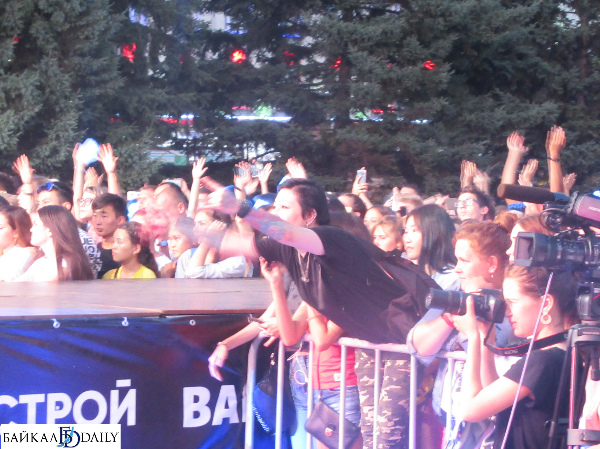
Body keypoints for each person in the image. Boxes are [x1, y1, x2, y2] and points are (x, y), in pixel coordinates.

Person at [408, 222, 510, 447]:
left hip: (492, 421)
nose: (457, 269)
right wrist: (450, 318)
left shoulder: (514, 302)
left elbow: (502, 345)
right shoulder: (456, 291)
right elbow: (416, 345)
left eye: (464, 261)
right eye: (456, 260)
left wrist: (475, 330)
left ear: (492, 263)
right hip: (450, 414)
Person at [453, 266, 578, 449]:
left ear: (546, 304)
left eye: (512, 302)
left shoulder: (541, 361)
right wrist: (485, 336)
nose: (507, 312)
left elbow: (469, 410)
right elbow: (492, 397)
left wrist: (472, 337)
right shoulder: (567, 353)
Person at [260, 257, 362, 449]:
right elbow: (290, 337)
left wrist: (311, 300)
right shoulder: (313, 296)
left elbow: (322, 340)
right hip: (317, 387)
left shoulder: (348, 292)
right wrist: (276, 284)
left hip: (343, 387)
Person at [17, 206, 94, 281]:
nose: (31, 229)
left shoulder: (58, 269)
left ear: (50, 230)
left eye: (36, 224)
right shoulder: (42, 261)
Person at [403, 204, 459, 291]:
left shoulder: (450, 278)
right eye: (406, 231)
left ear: (435, 233)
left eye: (414, 230)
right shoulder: (406, 270)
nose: (407, 239)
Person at [91, 193, 128, 278]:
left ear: (120, 220)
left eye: (104, 216)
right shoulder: (93, 251)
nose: (97, 222)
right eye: (94, 216)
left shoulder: (127, 255)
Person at [0, 206, 36, 281]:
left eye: (0, 228)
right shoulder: (5, 256)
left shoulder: (23, 254)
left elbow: (6, 281)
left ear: (15, 232)